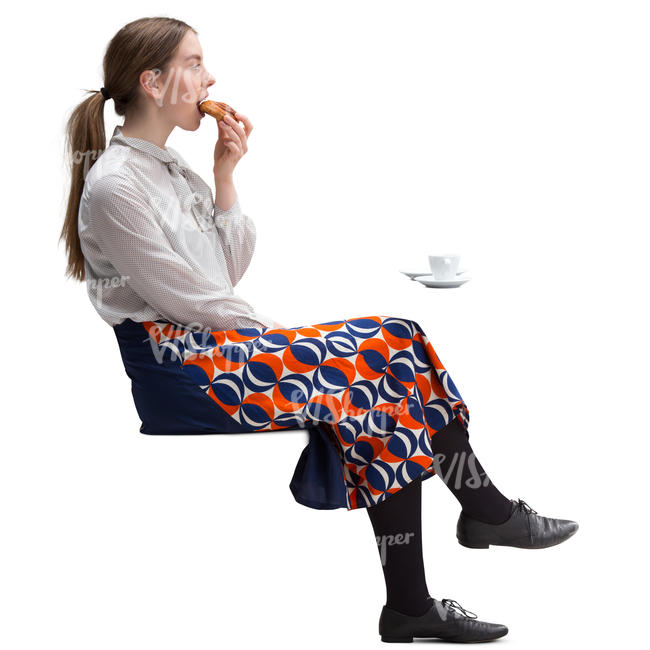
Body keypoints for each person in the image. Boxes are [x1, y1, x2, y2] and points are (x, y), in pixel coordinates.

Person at [59, 16, 579, 644]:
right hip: (182, 367)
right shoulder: (116, 185)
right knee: (372, 364)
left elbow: (221, 271)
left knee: (397, 340)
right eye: (194, 63)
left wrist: (226, 176)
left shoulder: (171, 170)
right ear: (152, 80)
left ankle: (445, 562)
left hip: (215, 341)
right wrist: (276, 335)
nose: (210, 76)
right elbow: (189, 299)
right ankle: (471, 532)